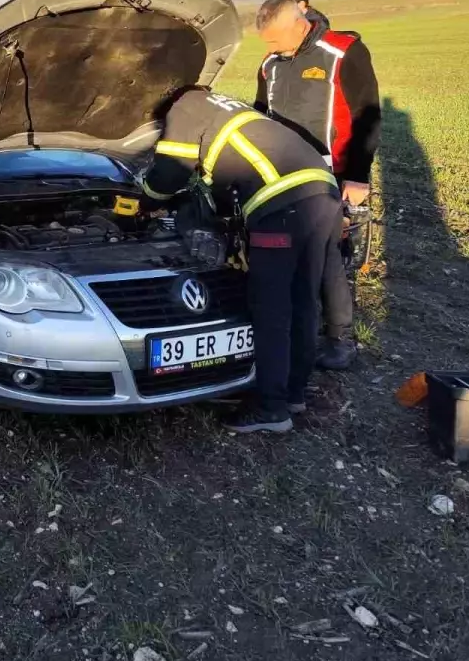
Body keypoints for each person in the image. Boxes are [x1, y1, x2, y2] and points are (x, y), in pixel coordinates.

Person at [141, 86, 342, 434]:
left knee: (271, 308)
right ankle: (293, 394)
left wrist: (144, 199)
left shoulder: (185, 108)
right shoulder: (222, 105)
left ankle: (270, 408)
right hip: (323, 193)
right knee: (303, 300)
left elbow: (169, 173)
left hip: (279, 205)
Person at [253, 0, 380, 370]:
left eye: (276, 39)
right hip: (279, 176)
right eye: (267, 42)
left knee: (326, 258)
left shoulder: (343, 52)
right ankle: (294, 330)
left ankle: (340, 339)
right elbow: (260, 115)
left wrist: (357, 174)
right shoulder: (270, 63)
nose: (271, 49)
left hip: (329, 174)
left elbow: (367, 115)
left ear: (301, 22)